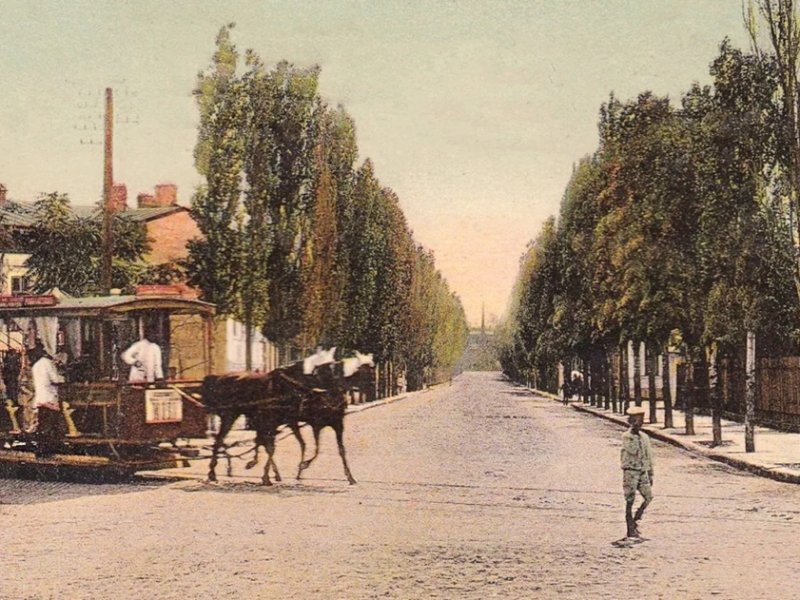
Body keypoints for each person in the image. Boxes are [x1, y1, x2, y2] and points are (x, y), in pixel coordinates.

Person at [621, 405, 654, 538]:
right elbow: (633, 450)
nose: (639, 423)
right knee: (630, 499)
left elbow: (649, 455)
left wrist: (650, 472)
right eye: (635, 420)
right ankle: (630, 527)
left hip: (643, 471)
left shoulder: (645, 437)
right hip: (631, 471)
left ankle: (636, 518)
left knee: (649, 497)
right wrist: (635, 434)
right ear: (630, 421)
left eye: (640, 420)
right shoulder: (627, 437)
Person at [28, 345, 64, 432]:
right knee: (51, 423)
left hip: (40, 398)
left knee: (43, 422)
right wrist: (63, 378)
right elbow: (55, 379)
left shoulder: (35, 365)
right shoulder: (47, 363)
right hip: (49, 398)